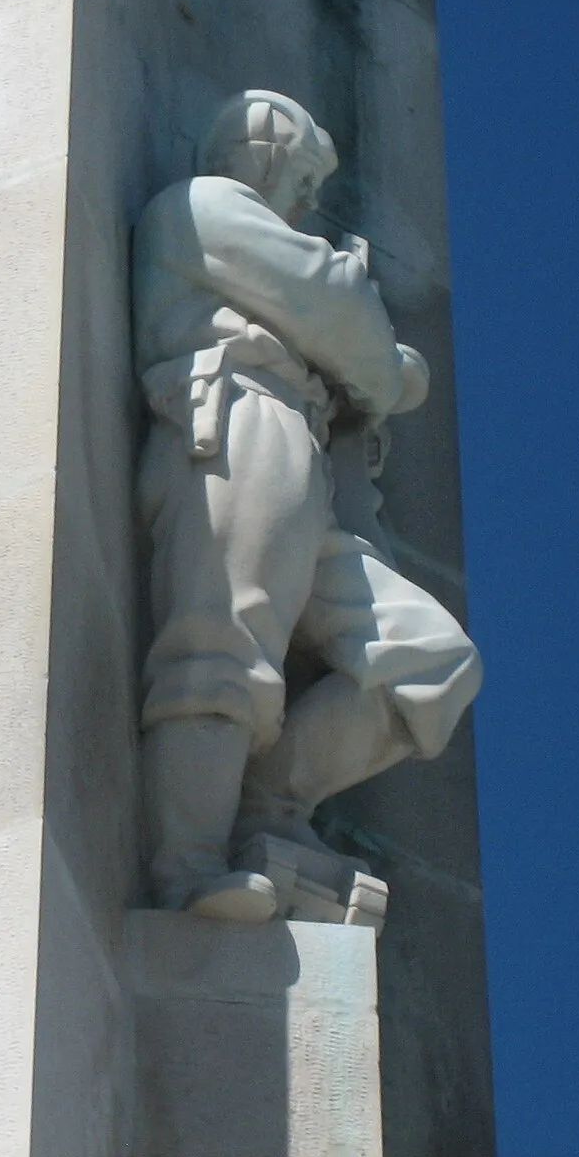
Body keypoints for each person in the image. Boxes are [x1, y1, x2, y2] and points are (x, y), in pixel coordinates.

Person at [133, 91, 482, 921]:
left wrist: (368, 371)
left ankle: (266, 807)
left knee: (429, 657)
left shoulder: (240, 225)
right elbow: (329, 300)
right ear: (262, 155)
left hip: (292, 444)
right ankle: (186, 870)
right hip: (233, 420)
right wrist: (388, 372)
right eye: (302, 176)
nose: (308, 202)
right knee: (222, 638)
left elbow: (330, 316)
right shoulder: (203, 206)